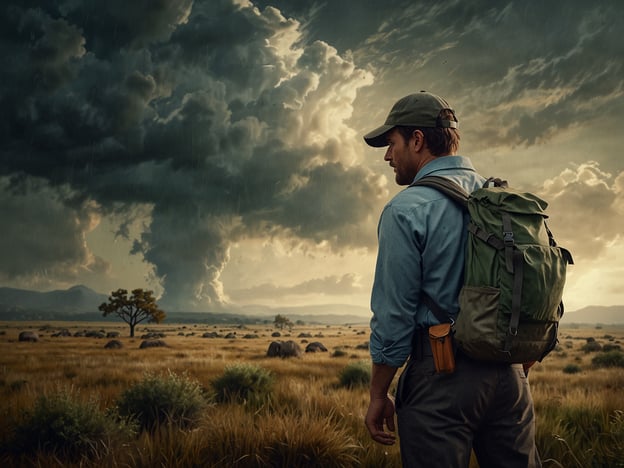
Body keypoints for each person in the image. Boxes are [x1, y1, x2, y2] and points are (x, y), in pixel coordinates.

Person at [363, 91, 541, 468]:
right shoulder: (502, 200)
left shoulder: (405, 210)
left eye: (391, 143)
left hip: (441, 377)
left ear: (417, 140)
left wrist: (379, 393)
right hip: (510, 379)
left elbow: (394, 316)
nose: (386, 155)